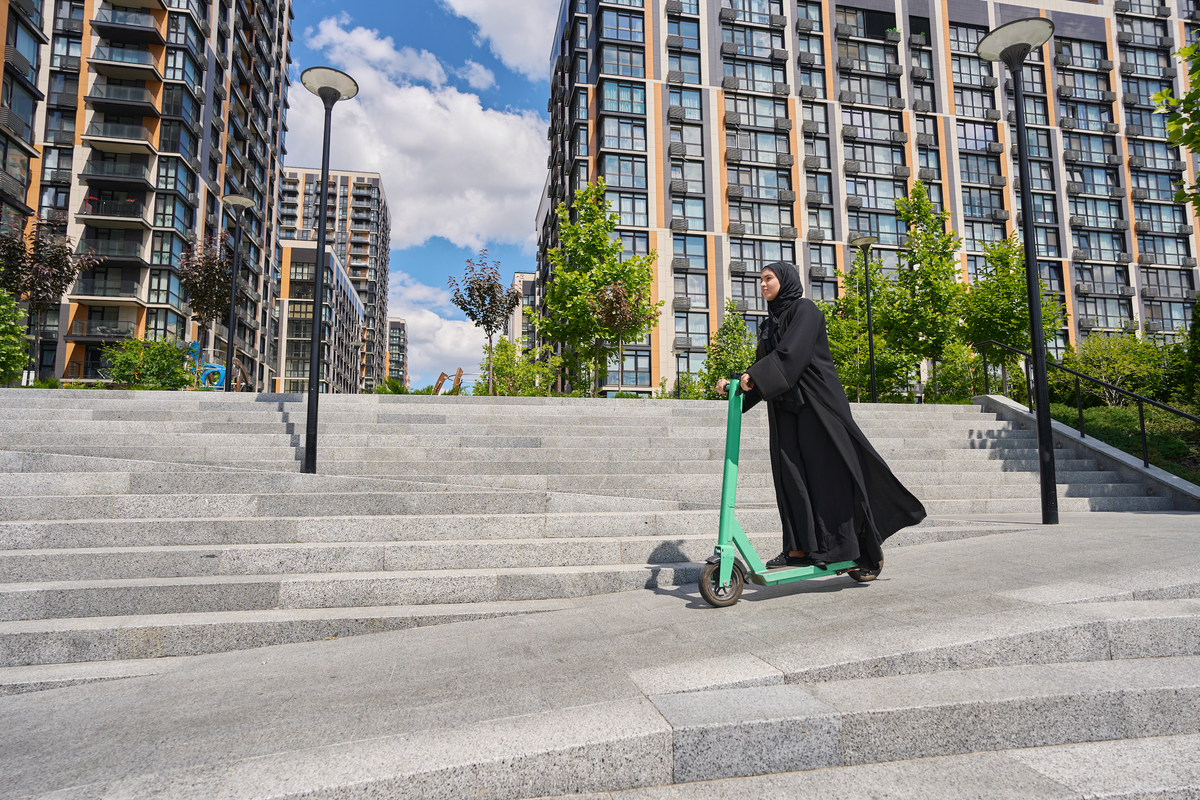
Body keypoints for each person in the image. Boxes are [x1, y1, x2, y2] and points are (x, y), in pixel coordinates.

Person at [716, 261, 926, 575]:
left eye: (768, 278)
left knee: (826, 477)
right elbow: (763, 367)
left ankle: (846, 549)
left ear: (785, 280)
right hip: (785, 409)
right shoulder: (769, 325)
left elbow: (791, 355)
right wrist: (737, 389)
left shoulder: (806, 311)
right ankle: (799, 549)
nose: (762, 285)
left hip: (817, 406)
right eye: (760, 280)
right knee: (791, 478)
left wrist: (754, 376)